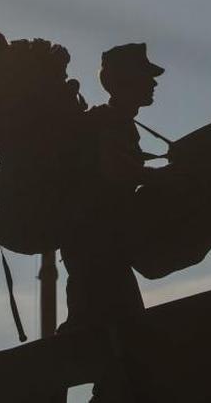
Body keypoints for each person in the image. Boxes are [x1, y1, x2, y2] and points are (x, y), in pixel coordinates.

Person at [60, 43, 165, 333]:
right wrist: (157, 177)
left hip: (96, 243)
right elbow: (113, 169)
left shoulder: (114, 120)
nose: (154, 82)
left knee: (110, 329)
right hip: (95, 243)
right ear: (125, 81)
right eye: (146, 75)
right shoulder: (111, 121)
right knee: (116, 331)